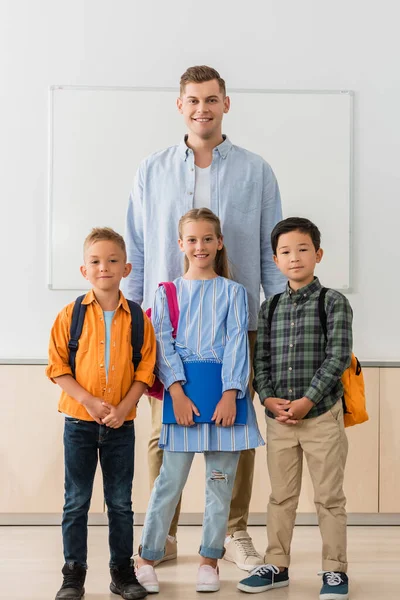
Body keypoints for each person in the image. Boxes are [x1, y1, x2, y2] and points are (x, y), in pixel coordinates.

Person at [122, 65, 285, 570]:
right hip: (167, 328)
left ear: (225, 104)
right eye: (193, 100)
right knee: (160, 434)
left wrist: (277, 316)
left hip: (237, 324)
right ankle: (163, 534)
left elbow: (268, 249)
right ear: (180, 106)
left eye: (211, 99)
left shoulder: (256, 170)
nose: (202, 109)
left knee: (236, 429)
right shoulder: (152, 169)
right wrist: (130, 317)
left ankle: (233, 533)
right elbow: (139, 248)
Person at [135, 208, 264, 593]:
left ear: (219, 242)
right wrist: (175, 393)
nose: (200, 246)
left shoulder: (234, 292)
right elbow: (163, 345)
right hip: (183, 398)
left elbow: (238, 342)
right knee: (168, 483)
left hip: (227, 399)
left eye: (208, 238)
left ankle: (210, 559)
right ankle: (146, 556)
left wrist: (230, 394)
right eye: (192, 239)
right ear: (180, 245)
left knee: (219, 483)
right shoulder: (166, 293)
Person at [237, 217, 352, 600]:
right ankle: (277, 565)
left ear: (317, 254)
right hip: (280, 420)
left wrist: (306, 402)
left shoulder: (332, 301)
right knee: (280, 496)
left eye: (303, 249)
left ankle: (334, 570)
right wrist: (268, 398)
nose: (295, 257)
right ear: (275, 259)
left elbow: (338, 357)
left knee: (328, 497)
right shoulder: (269, 308)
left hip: (320, 417)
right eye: (285, 251)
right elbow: (262, 360)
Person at [46, 227, 156, 600]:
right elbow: (57, 366)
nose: (104, 267)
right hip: (79, 422)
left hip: (121, 427)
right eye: (95, 261)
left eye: (112, 261)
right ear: (84, 270)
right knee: (76, 500)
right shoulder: (69, 315)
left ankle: (122, 573)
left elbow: (146, 371)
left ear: (126, 268)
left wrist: (124, 409)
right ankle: (73, 573)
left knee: (120, 502)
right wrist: (90, 402)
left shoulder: (138, 318)